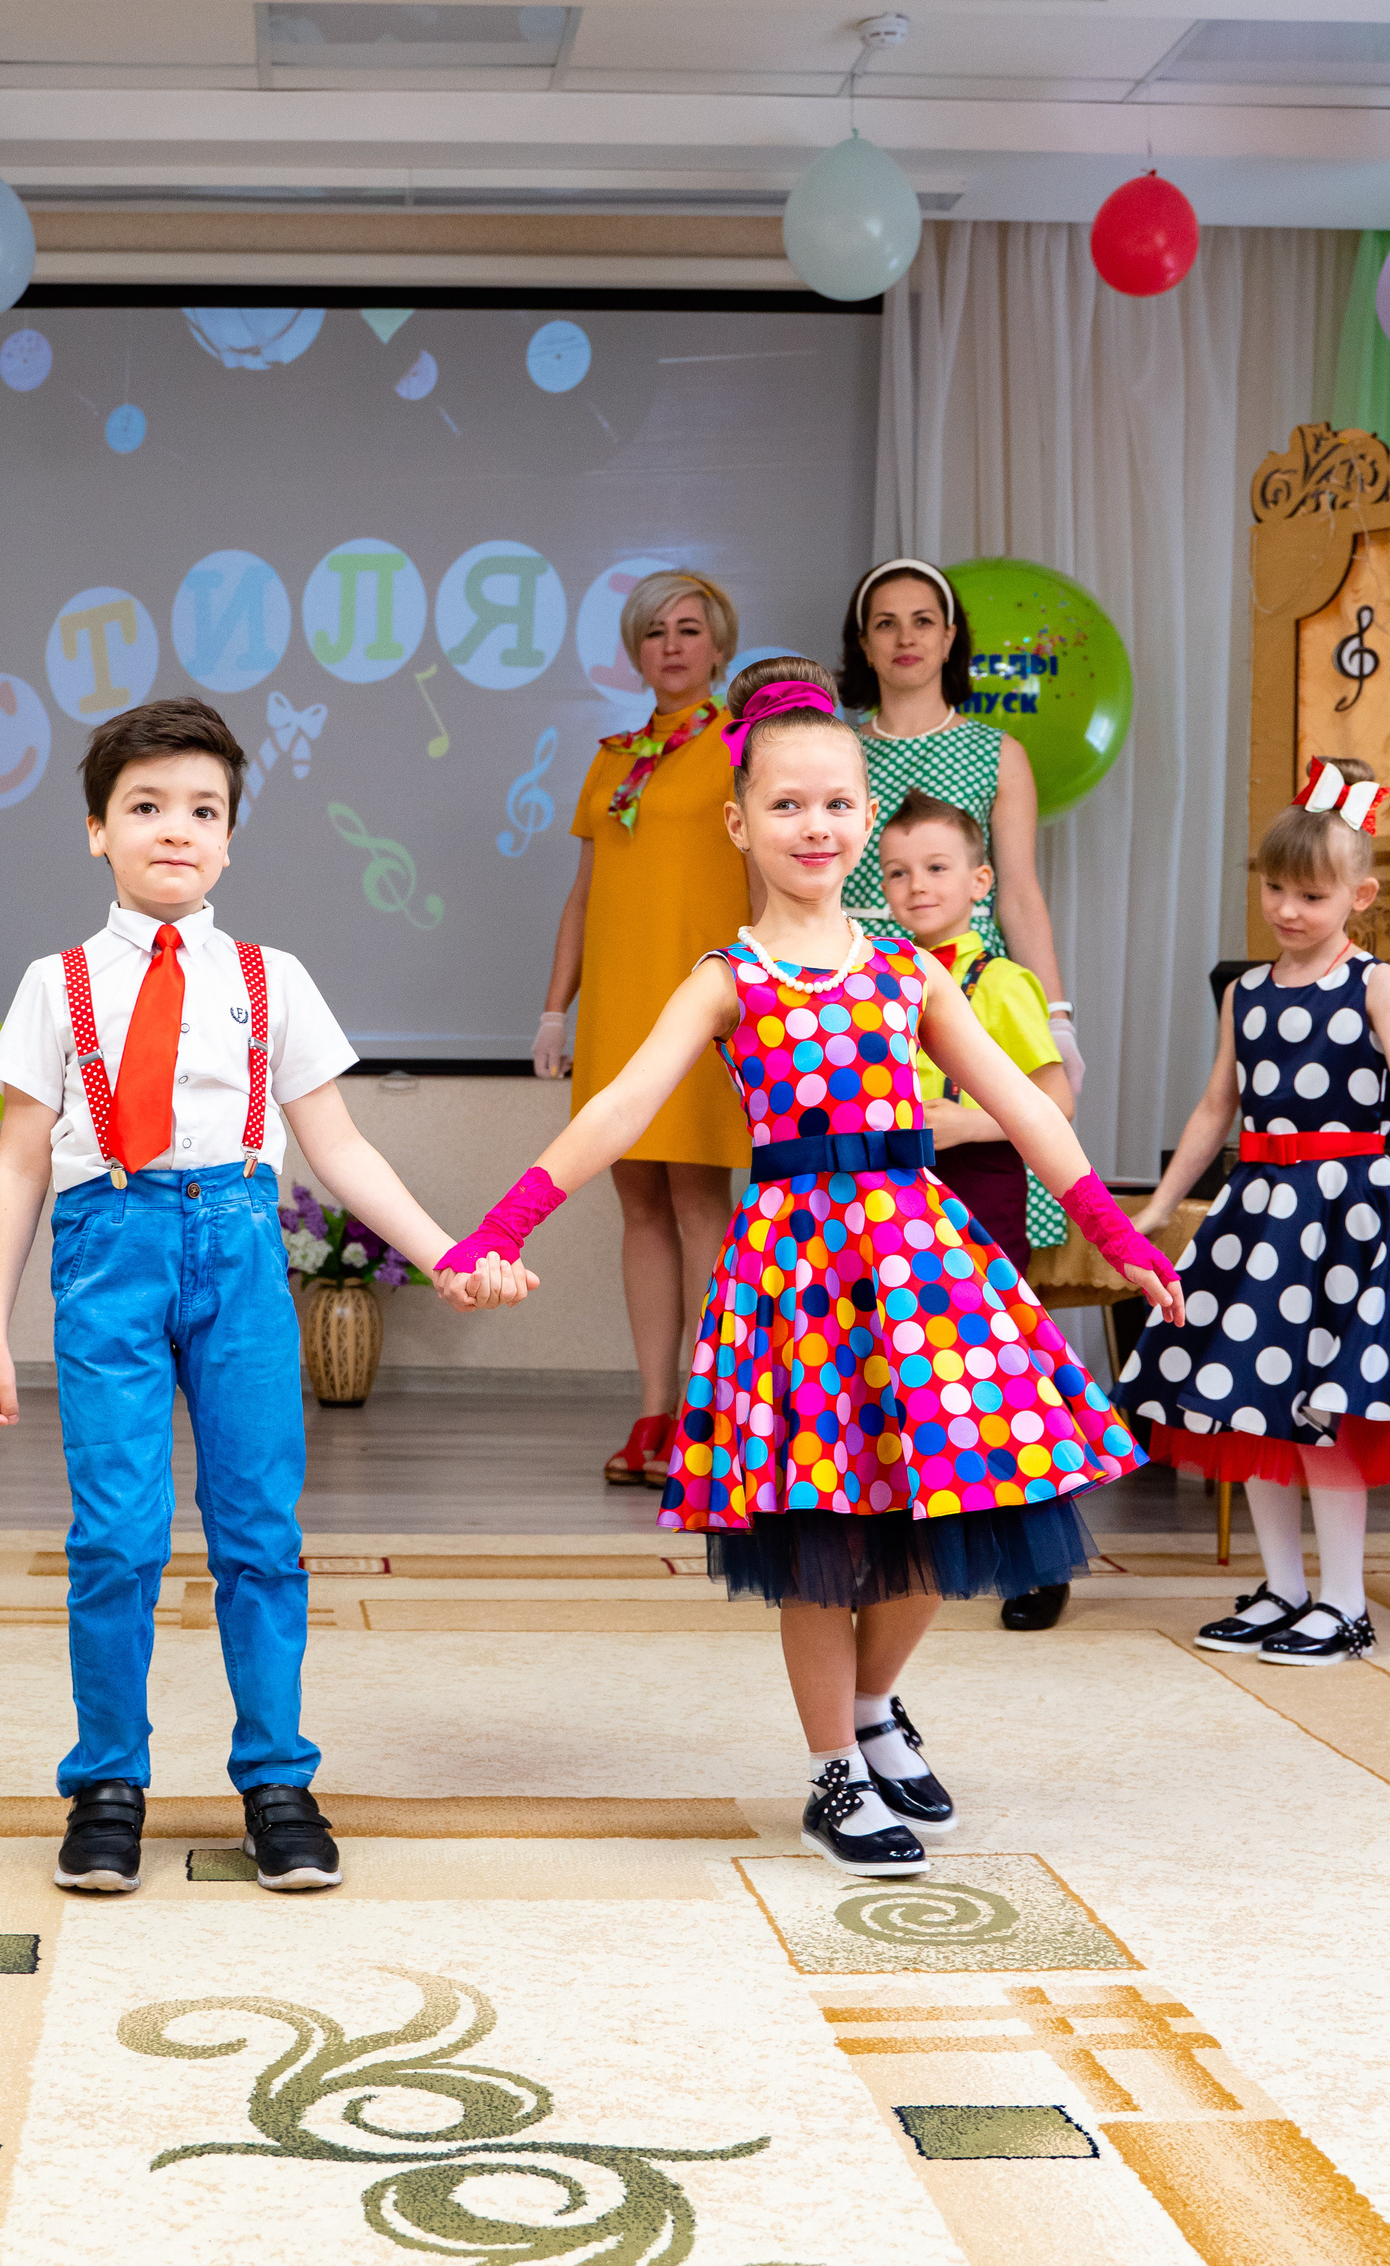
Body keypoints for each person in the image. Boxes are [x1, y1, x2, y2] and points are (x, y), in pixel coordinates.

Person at [434, 660, 1179, 1877]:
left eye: (837, 804)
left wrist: (1121, 1236)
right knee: (821, 1534)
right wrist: (502, 1222)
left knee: (954, 1512)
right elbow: (619, 1105)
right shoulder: (728, 981)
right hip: (799, 1272)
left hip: (926, 1265)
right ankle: (835, 1768)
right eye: (786, 805)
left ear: (866, 818)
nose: (815, 825)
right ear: (741, 823)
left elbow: (1027, 1110)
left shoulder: (913, 972)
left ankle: (876, 1709)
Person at [0, 697, 529, 1898]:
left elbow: (342, 1150)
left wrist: (446, 1251)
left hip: (235, 1247)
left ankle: (276, 1778)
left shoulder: (271, 980)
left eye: (203, 811)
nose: (176, 830)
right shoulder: (53, 983)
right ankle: (106, 1784)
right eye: (146, 807)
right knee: (113, 1538)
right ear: (95, 831)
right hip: (105, 1249)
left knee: (259, 1534)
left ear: (231, 837)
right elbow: (16, 1162)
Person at [1115, 758, 1390, 1665]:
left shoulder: (1374, 984)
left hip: (1349, 1214)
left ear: (1360, 895)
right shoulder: (1248, 993)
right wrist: (1164, 1205)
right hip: (1259, 1213)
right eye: (1275, 888)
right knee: (1249, 1405)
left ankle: (1345, 1605)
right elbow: (1215, 1107)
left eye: (1310, 893)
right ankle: (1283, 1589)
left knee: (1323, 1411)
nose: (1287, 910)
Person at [538, 569, 754, 1489]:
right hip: (622, 1007)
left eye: (690, 629)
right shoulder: (612, 754)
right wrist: (557, 1009)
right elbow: (586, 896)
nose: (672, 644)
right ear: (634, 653)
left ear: (719, 646)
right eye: (655, 631)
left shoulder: (747, 747)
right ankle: (654, 1413)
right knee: (640, 1208)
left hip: (707, 1003)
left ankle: (717, 1424)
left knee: (705, 1206)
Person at [876, 792, 1078, 1634]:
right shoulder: (879, 975)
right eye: (896, 872)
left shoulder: (1000, 984)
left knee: (997, 1389)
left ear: (981, 880)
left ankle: (1042, 1563)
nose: (916, 886)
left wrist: (957, 1122)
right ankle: (916, 1550)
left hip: (980, 1194)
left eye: (936, 868)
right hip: (896, 1205)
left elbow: (1055, 1098)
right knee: (907, 1381)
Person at [839, 558, 1082, 1097]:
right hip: (853, 986)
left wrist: (1057, 1015)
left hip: (964, 985)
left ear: (949, 638)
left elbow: (1017, 892)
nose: (906, 636)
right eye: (886, 623)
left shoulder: (999, 753)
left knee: (974, 1148)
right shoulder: (834, 752)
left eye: (923, 621)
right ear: (863, 642)